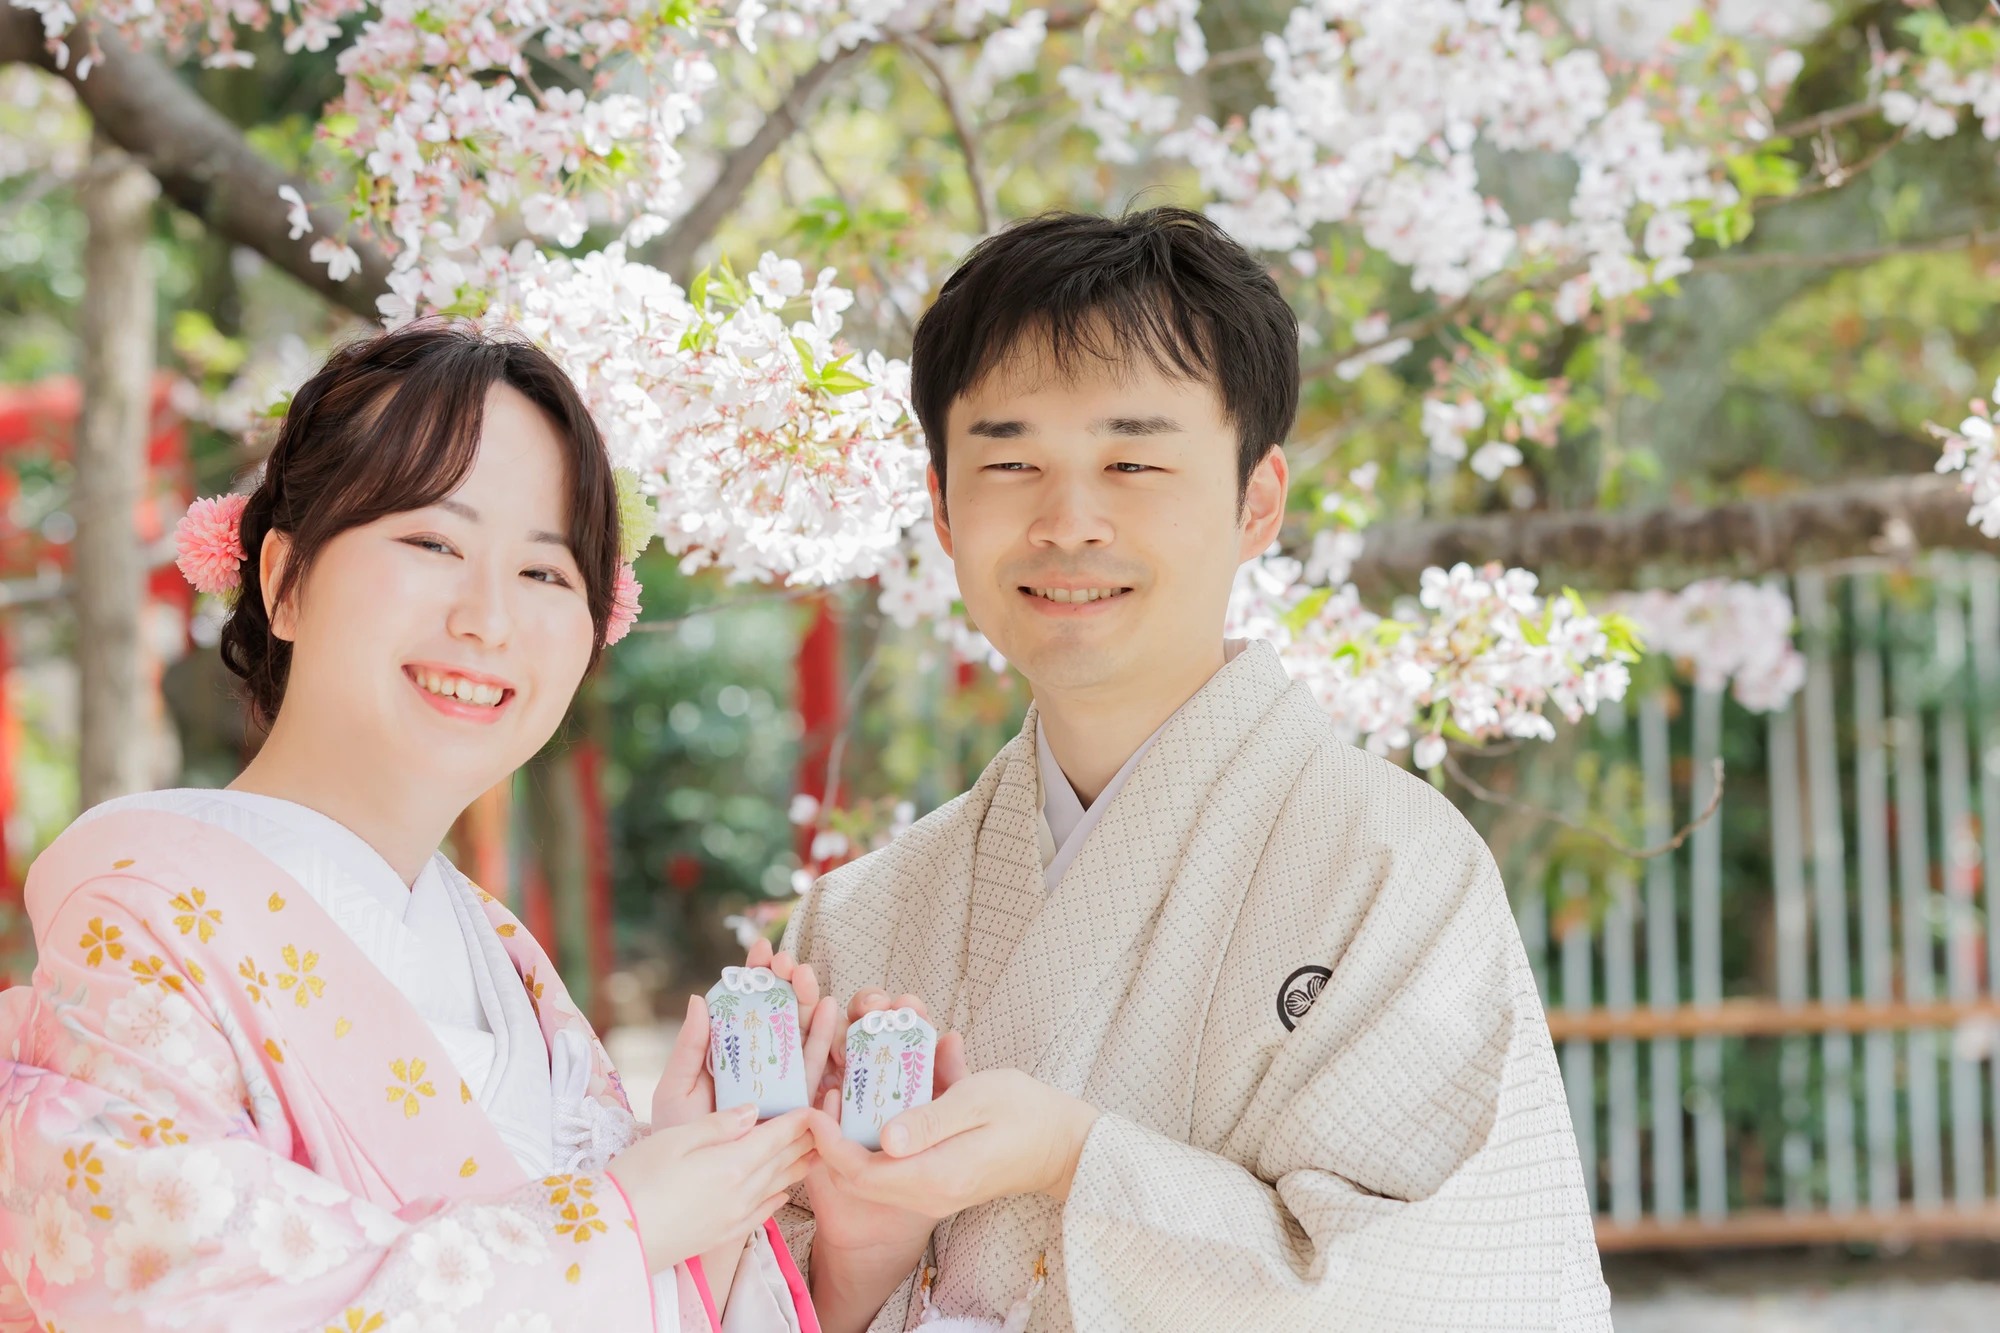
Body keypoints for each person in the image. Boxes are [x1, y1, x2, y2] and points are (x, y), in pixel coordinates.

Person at [770, 209, 1613, 1332]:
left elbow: (1428, 1287)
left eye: (1133, 460)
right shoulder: (860, 916)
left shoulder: (1386, 867)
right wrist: (858, 1262)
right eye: (1010, 461)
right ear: (939, 504)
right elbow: (750, 1289)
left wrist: (1076, 1160)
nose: (1067, 521)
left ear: (1255, 500)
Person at [0, 324, 833, 1332]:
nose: (489, 619)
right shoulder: (141, 910)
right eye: (432, 542)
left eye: (544, 573)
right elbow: (167, 1293)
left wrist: (700, 1181)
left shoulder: (497, 953)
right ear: (285, 579)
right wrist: (616, 1225)